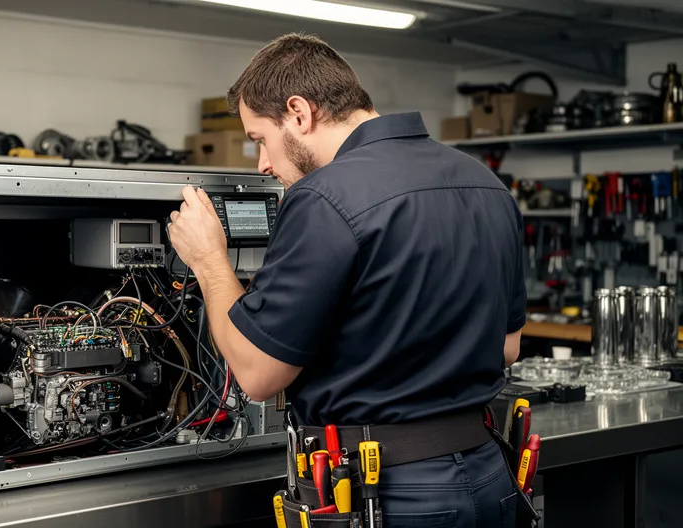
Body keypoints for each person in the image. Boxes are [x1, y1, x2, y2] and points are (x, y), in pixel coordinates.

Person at [167, 33, 525, 527]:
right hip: (490, 476)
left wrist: (208, 261)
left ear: (298, 112)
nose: (263, 164)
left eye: (260, 139)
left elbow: (256, 374)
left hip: (389, 491)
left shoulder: (323, 196)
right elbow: (507, 347)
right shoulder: (485, 183)